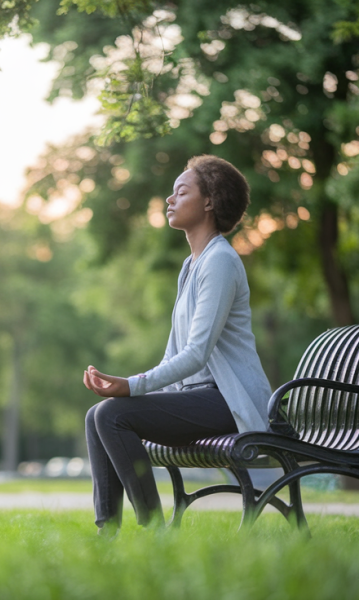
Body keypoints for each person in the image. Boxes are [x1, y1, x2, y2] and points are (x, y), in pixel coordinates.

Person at [82, 155, 273, 534]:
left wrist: (132, 386)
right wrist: (131, 392)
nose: (169, 200)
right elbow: (175, 352)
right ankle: (106, 534)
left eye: (181, 191)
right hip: (199, 400)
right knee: (98, 414)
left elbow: (197, 353)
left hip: (226, 402)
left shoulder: (219, 261)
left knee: (111, 415)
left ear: (209, 201)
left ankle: (153, 532)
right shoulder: (192, 265)